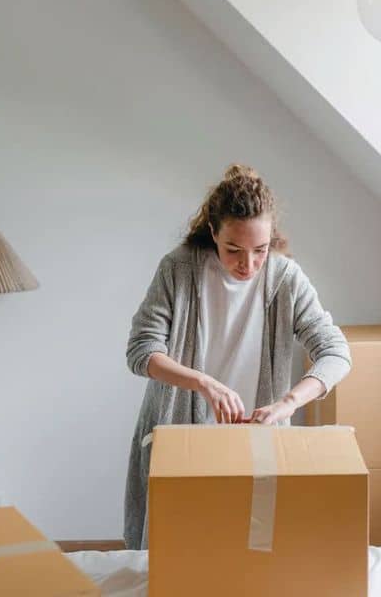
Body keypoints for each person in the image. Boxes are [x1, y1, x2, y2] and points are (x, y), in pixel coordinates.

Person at [123, 164, 351, 549]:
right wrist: (204, 383)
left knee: (252, 551)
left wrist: (288, 404)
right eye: (234, 250)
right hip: (184, 440)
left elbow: (336, 352)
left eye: (260, 251)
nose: (248, 265)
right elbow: (141, 351)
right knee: (177, 551)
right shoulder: (178, 270)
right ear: (213, 232)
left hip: (255, 440)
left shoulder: (285, 278)